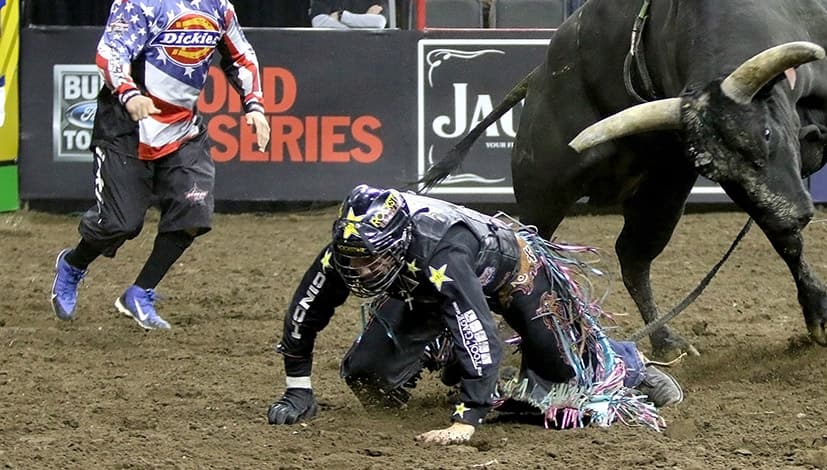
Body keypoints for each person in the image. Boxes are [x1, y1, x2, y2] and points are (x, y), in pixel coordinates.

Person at [266, 185, 683, 443]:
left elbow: (474, 323)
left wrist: (467, 419)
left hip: (513, 274)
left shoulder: (441, 250)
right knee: (367, 374)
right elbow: (305, 311)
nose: (358, 270)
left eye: (369, 261)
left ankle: (628, 364)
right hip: (422, 289)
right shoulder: (351, 249)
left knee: (562, 395)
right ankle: (465, 371)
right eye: (352, 261)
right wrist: (297, 388)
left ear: (396, 244)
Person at [49, 0, 271, 330]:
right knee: (120, 222)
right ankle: (73, 264)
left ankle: (140, 291)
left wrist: (255, 106)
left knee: (194, 211)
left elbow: (242, 56)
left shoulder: (217, 6)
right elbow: (112, 52)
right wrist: (130, 94)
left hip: (182, 128)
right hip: (126, 127)